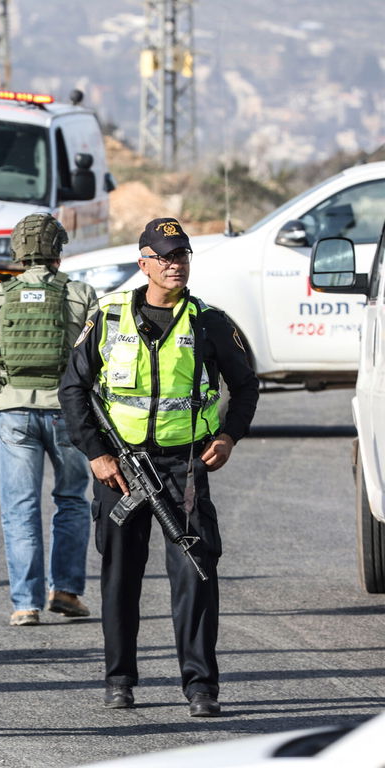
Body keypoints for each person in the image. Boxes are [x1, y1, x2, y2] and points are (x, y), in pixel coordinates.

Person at [58, 217, 259, 717]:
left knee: (195, 574)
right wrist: (97, 453)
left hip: (184, 467)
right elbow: (73, 389)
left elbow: (247, 384)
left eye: (183, 256)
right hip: (120, 469)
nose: (176, 265)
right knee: (119, 576)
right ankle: (120, 680)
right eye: (166, 257)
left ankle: (200, 687)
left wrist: (229, 434)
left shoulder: (210, 321)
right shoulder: (107, 317)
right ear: (142, 262)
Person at [0, 212, 98, 627]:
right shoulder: (80, 294)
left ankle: (26, 603)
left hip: (13, 412)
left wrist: (1, 365)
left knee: (20, 508)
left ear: (17, 252)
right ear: (59, 249)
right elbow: (96, 353)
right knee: (72, 500)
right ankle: (67, 592)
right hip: (67, 413)